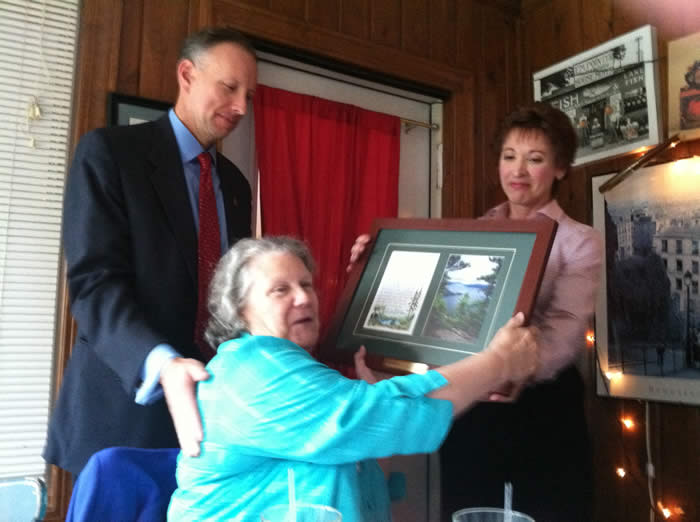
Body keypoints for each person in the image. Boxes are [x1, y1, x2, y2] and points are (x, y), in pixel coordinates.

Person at [167, 236, 539, 521]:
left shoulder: (294, 372)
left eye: (307, 284)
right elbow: (377, 417)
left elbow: (362, 446)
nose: (303, 298)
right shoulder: (252, 373)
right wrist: (499, 362)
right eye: (281, 290)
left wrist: (376, 394)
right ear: (240, 310)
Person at [43, 27, 257, 476]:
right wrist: (163, 365)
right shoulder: (112, 155)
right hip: (124, 412)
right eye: (229, 88)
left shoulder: (235, 185)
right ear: (186, 74)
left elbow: (234, 297)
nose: (240, 108)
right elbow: (93, 284)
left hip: (210, 418)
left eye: (248, 96)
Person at [439, 103, 603, 522]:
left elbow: (565, 329)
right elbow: (448, 314)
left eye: (536, 160)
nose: (519, 170)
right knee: (466, 506)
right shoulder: (476, 230)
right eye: (509, 156)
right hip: (475, 400)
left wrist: (512, 368)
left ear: (561, 168)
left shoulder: (578, 240)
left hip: (541, 405)